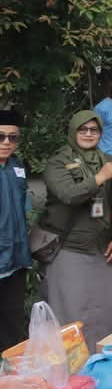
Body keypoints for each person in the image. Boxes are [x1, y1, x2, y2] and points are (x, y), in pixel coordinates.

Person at [41, 111, 112, 350]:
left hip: (103, 250)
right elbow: (68, 194)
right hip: (69, 249)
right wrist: (99, 178)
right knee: (71, 314)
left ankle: (102, 368)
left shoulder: (108, 160)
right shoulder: (57, 162)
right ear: (73, 131)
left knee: (105, 314)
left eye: (94, 130)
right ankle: (72, 377)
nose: (88, 134)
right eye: (83, 129)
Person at [0, 109, 30, 350]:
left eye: (12, 137)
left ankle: (8, 382)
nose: (6, 142)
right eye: (0, 137)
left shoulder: (17, 167)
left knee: (12, 324)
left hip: (17, 262)